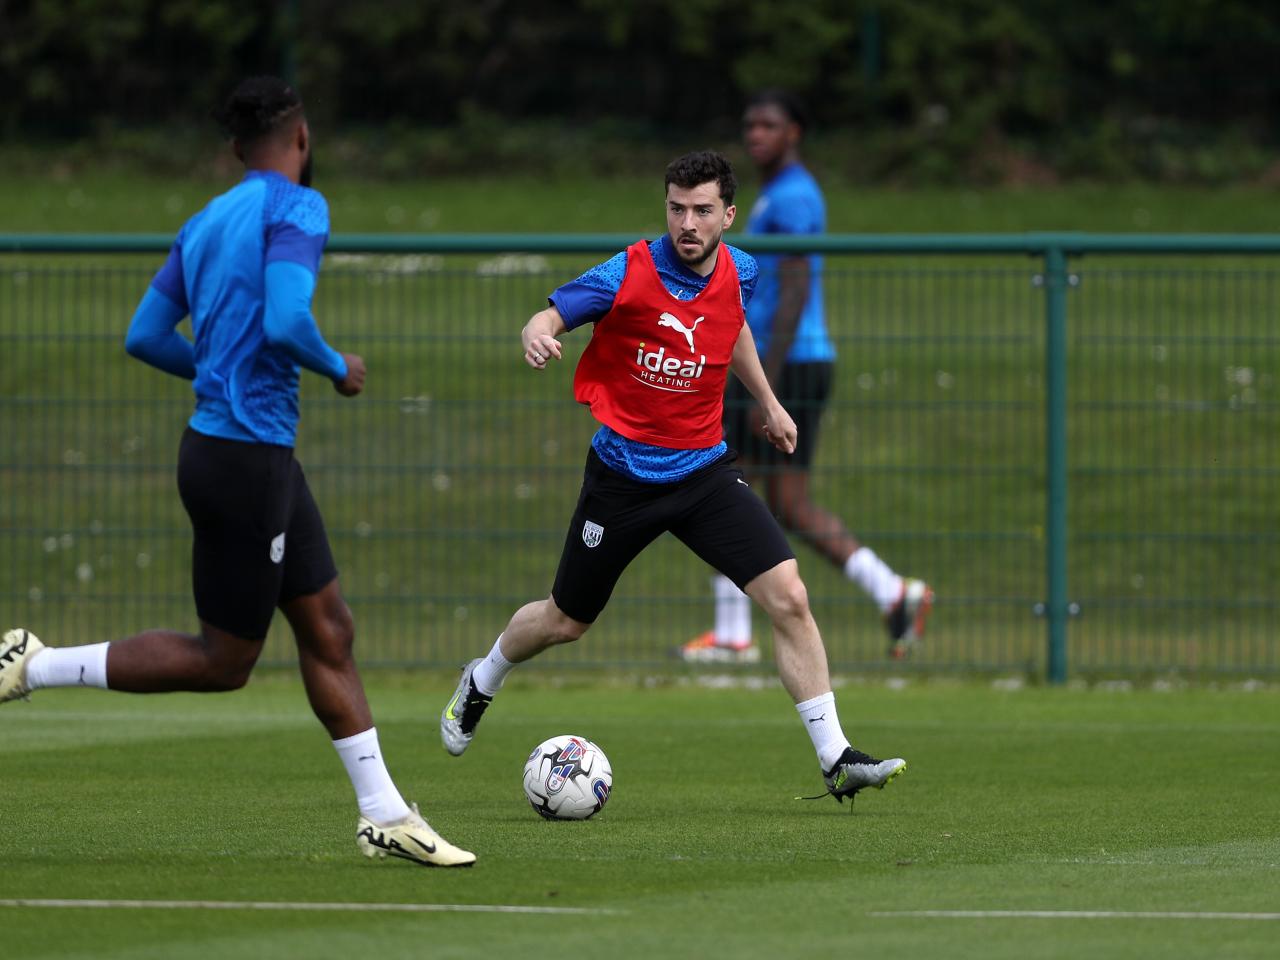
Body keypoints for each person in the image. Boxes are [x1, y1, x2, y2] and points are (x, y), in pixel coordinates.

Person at [0, 76, 473, 868]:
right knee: (224, 662)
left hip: (248, 457)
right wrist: (337, 366)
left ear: (234, 148)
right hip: (245, 461)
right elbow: (287, 320)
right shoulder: (298, 208)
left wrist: (216, 369)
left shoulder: (206, 220)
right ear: (301, 137)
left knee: (330, 627)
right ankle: (34, 663)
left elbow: (145, 335)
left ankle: (385, 815)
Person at [439, 150, 906, 804]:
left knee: (790, 597)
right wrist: (537, 333)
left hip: (704, 473)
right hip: (622, 478)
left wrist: (770, 403)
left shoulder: (742, 271)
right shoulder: (629, 271)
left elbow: (730, 329)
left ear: (728, 215)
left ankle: (836, 758)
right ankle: (482, 678)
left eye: (702, 210)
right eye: (677, 208)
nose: (688, 223)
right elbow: (552, 312)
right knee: (565, 620)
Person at [681, 90, 933, 665]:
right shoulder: (778, 193)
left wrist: (764, 388)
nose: (755, 134)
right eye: (750, 124)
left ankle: (732, 633)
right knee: (784, 501)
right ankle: (892, 592)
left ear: (794, 131)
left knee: (716, 483)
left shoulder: (793, 196)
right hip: (788, 361)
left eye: (769, 125)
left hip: (783, 362)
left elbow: (795, 287)